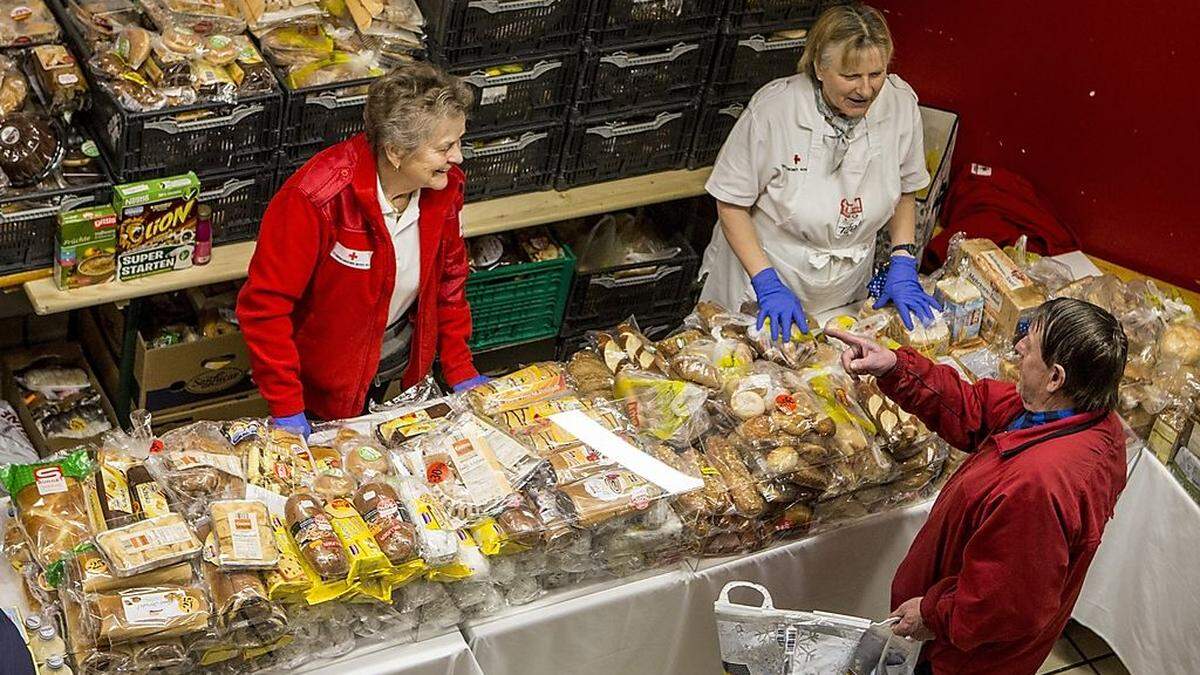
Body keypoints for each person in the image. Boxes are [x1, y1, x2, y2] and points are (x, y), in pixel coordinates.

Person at [826, 297, 1129, 675]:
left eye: (1029, 345)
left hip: (968, 656)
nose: (1017, 348)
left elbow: (1003, 601)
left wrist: (931, 613)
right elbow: (975, 407)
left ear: (1055, 378)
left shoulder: (1040, 485)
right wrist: (895, 367)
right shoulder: (1077, 414)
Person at [237, 63, 488, 436]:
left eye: (459, 141)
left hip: (398, 371)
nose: (459, 157)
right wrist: (287, 406)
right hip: (319, 391)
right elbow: (265, 308)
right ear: (396, 152)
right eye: (445, 147)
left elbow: (450, 282)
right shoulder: (316, 198)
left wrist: (459, 367)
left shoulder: (443, 189)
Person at [700, 3, 940, 341]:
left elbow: (905, 187)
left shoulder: (900, 104)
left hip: (844, 288)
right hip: (764, 283)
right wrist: (766, 283)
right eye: (851, 76)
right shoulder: (774, 110)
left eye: (876, 74)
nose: (866, 89)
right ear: (819, 67)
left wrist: (902, 256)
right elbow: (731, 203)